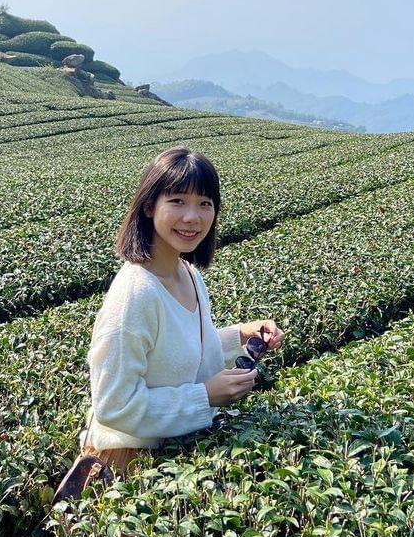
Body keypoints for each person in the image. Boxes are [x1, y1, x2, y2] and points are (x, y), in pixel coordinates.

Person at [53, 145, 284, 503]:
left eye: (205, 203)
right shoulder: (135, 294)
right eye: (177, 201)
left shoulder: (186, 273)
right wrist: (205, 396)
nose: (192, 217)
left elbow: (178, 347)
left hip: (178, 452)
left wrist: (241, 336)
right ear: (149, 206)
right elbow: (114, 405)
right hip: (127, 467)